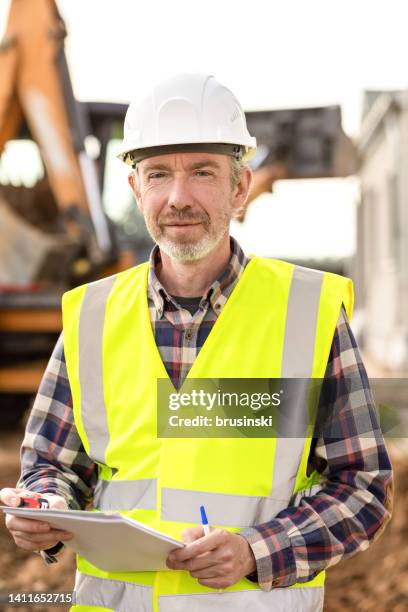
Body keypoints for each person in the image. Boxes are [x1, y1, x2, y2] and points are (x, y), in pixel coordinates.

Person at [1, 74, 393, 611]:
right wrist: (44, 506)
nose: (178, 198)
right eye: (158, 174)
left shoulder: (309, 312)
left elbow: (363, 487)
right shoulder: (90, 316)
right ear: (137, 189)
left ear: (239, 187)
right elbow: (53, 465)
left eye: (202, 172)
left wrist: (257, 550)